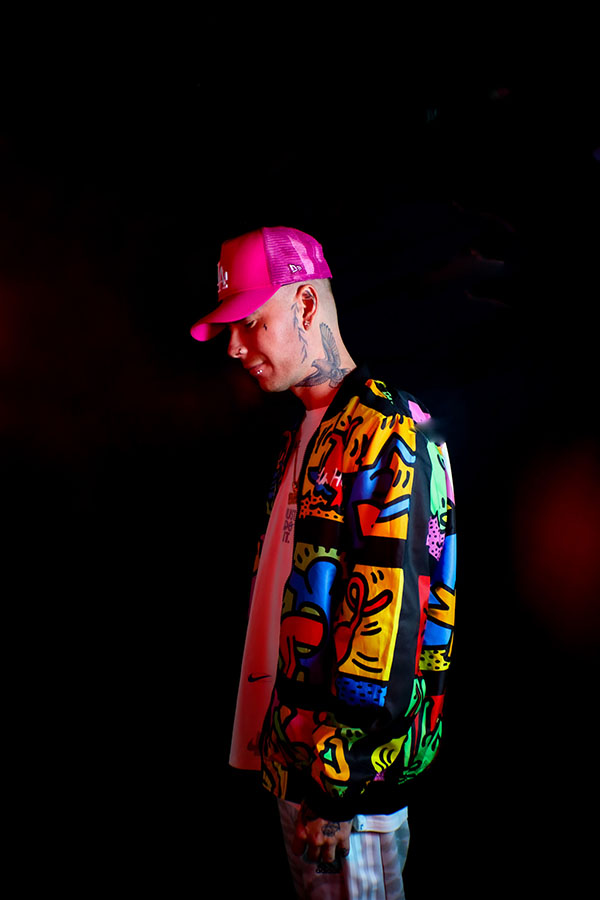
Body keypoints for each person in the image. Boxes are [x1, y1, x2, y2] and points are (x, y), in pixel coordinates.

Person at [190, 226, 456, 899]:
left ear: (306, 305)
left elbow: (389, 627)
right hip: (300, 766)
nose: (234, 347)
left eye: (249, 323)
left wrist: (339, 789)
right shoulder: (308, 431)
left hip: (345, 793)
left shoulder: (389, 433)